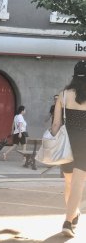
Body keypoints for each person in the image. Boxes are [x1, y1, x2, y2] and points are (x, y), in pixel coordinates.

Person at [52, 60, 86, 238]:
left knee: (69, 183)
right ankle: (67, 222)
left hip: (67, 144)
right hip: (84, 144)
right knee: (78, 184)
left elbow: (56, 125)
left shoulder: (63, 95)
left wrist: (52, 137)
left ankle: (74, 213)